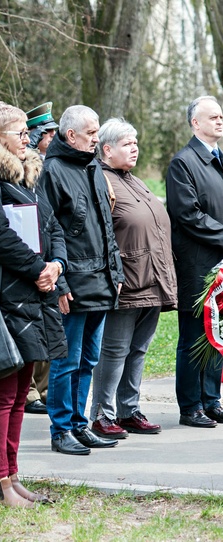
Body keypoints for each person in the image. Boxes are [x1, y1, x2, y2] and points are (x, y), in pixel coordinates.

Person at [0, 101, 66, 507]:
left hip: (32, 296)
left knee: (20, 393)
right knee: (0, 394)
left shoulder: (28, 174)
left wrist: (56, 265)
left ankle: (12, 476)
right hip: (0, 298)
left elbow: (52, 226)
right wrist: (37, 268)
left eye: (27, 133)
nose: (28, 139)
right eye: (20, 133)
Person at [39, 105, 123, 455]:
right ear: (70, 135)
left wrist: (116, 272)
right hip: (72, 284)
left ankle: (78, 424)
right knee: (67, 361)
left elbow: (106, 227)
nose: (96, 138)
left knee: (88, 359)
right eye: (91, 133)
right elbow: (48, 231)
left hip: (101, 280)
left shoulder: (93, 166)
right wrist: (59, 285)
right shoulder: (52, 170)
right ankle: (61, 430)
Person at [89, 118, 176, 438]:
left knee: (138, 349)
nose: (135, 148)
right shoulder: (100, 179)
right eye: (127, 144)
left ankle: (128, 410)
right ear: (107, 149)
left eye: (135, 143)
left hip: (152, 279)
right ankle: (102, 414)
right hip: (124, 282)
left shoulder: (134, 180)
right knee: (114, 350)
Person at [166, 96, 223, 428]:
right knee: (193, 337)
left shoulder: (219, 159)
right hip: (197, 265)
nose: (219, 121)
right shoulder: (183, 163)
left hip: (219, 263)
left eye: (221, 116)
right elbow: (188, 215)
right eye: (212, 117)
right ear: (195, 123)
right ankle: (190, 406)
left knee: (218, 332)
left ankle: (211, 400)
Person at [22, 102, 60, 415]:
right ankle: (30, 392)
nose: (53, 137)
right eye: (47, 133)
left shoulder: (53, 162)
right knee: (32, 326)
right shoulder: (26, 162)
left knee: (49, 324)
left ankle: (45, 389)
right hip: (31, 251)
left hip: (50, 248)